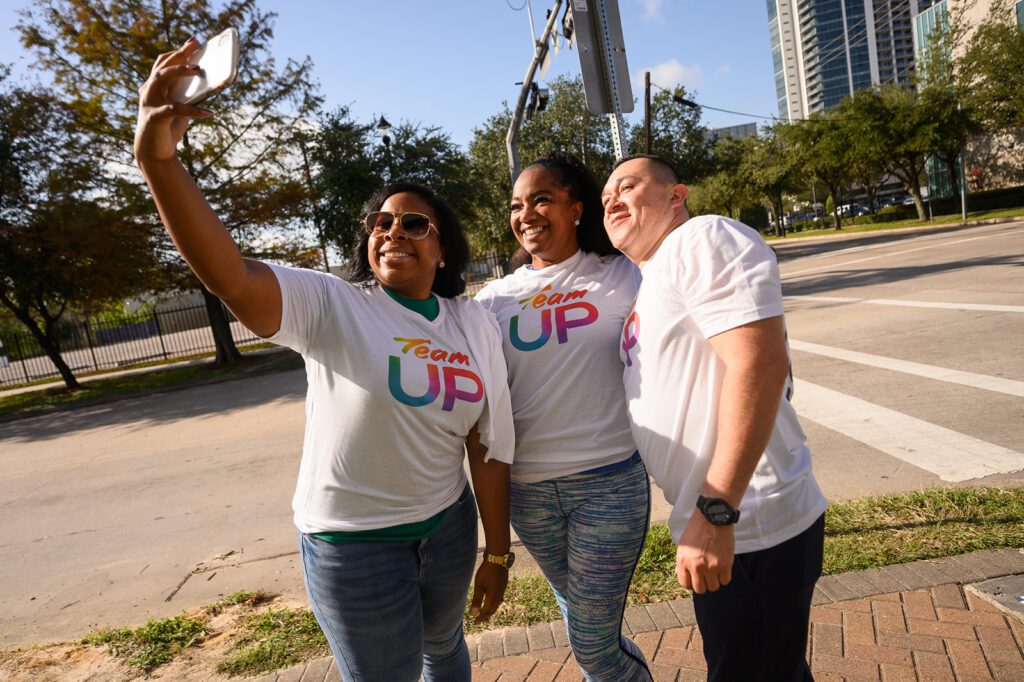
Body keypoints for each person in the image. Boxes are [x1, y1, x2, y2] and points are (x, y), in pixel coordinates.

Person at [134, 38, 515, 682]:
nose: (394, 230)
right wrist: (160, 161)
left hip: (448, 531)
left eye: (415, 224)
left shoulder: (470, 321)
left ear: (444, 249)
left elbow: (487, 442)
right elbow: (230, 275)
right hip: (355, 549)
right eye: (381, 223)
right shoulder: (333, 305)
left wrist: (497, 554)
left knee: (445, 648)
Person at [602, 155, 828, 682]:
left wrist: (717, 509)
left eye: (628, 186)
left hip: (749, 520)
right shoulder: (652, 277)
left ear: (675, 197)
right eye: (605, 195)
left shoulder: (702, 238)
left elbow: (760, 363)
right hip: (725, 521)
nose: (611, 199)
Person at [476, 152, 652, 681]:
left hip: (609, 484)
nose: (526, 213)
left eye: (541, 199)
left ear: (576, 208)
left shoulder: (624, 274)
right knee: (586, 624)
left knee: (592, 645)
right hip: (528, 495)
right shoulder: (490, 300)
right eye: (516, 205)